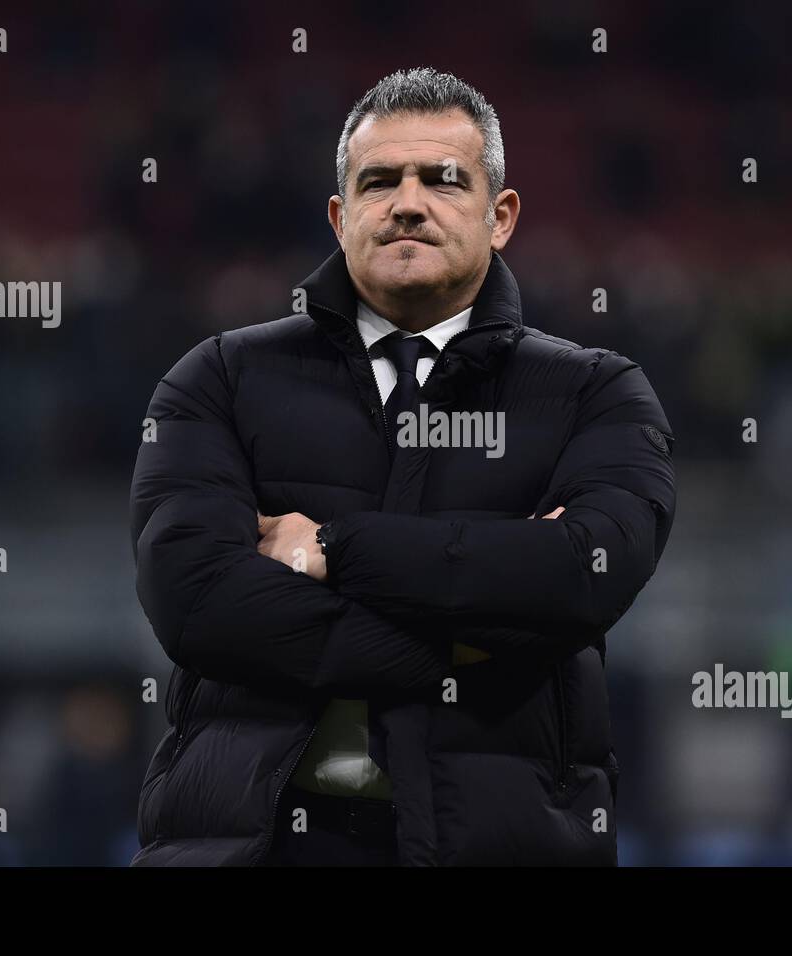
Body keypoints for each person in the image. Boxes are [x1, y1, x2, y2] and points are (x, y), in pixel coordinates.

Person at [129, 66, 675, 866]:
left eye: (444, 180)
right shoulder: (217, 378)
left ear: (502, 217)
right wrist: (475, 639)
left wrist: (332, 549)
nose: (409, 202)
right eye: (380, 181)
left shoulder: (596, 393)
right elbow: (195, 598)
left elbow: (586, 570)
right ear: (339, 216)